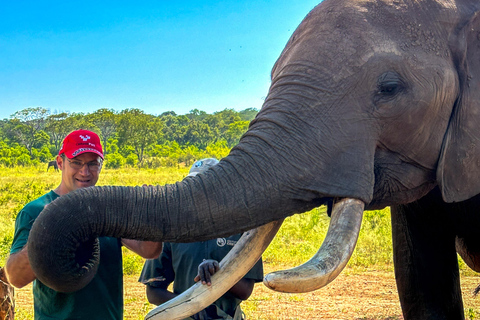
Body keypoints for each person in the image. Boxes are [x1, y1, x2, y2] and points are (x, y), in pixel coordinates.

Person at [5, 129, 163, 320]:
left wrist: (148, 212)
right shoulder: (36, 211)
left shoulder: (109, 207)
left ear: (101, 166)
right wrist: (49, 230)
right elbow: (15, 277)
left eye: (92, 164)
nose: (84, 172)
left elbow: (149, 251)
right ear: (60, 163)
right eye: (76, 163)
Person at [139, 158, 263, 320]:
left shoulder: (242, 227)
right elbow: (153, 291)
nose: (197, 193)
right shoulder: (173, 228)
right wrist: (189, 307)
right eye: (193, 186)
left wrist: (218, 272)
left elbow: (245, 291)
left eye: (205, 186)